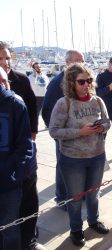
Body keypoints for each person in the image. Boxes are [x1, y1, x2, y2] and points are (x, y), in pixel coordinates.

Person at [49, 63, 111, 246]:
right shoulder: (64, 103)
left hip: (97, 157)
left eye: (89, 80)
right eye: (81, 81)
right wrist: (79, 132)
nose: (86, 85)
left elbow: (108, 122)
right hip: (73, 160)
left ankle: (93, 221)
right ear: (71, 82)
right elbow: (54, 131)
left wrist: (102, 127)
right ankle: (76, 229)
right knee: (75, 198)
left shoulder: (98, 101)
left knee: (93, 194)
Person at [42, 50, 84, 207]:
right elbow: (47, 111)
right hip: (64, 136)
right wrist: (57, 135)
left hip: (79, 135)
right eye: (77, 61)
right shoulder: (57, 83)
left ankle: (76, 195)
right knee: (63, 166)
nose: (81, 64)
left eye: (83, 61)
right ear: (67, 63)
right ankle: (62, 198)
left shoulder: (81, 81)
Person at [0, 67, 33, 250]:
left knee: (10, 230)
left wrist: (14, 173)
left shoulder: (15, 104)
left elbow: (25, 146)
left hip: (8, 184)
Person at [0, 41, 38, 141]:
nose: (5, 62)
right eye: (0, 59)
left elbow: (32, 106)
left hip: (20, 136)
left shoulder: (23, 80)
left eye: (7, 58)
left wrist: (33, 131)